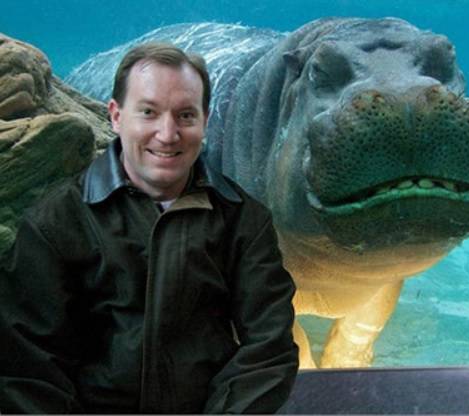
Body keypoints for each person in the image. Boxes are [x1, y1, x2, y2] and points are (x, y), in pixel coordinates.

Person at [0, 43, 299, 414]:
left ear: (205, 119)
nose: (168, 134)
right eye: (148, 112)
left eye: (186, 115)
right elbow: (27, 366)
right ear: (115, 116)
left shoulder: (244, 221)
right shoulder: (57, 221)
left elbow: (269, 349)